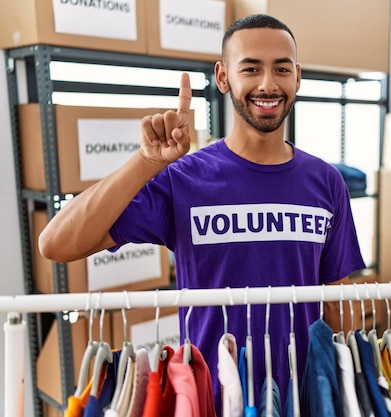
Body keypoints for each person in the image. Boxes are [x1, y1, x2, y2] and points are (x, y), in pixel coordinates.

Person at [39, 13, 366, 413]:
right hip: (209, 397)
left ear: (297, 77)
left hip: (302, 398)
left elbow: (335, 304)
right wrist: (146, 162)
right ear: (223, 77)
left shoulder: (327, 182)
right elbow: (56, 243)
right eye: (251, 68)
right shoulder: (184, 180)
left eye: (281, 68)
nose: (268, 84)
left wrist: (344, 392)